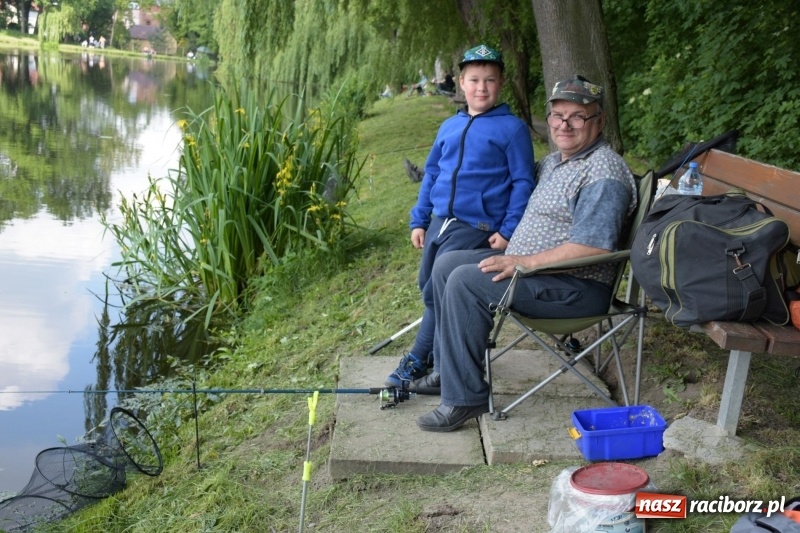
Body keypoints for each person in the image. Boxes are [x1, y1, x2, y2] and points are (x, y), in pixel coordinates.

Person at [414, 75, 638, 432]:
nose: (564, 125)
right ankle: (447, 371)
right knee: (447, 264)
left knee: (465, 281)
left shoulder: (603, 171)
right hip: (538, 277)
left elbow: (596, 245)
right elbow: (510, 186)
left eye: (577, 116)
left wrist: (525, 262)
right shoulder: (556, 163)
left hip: (572, 288)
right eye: (557, 115)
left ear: (599, 121)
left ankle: (464, 398)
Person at [384, 44, 536, 389]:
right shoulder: (449, 127)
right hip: (440, 223)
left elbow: (522, 181)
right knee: (428, 288)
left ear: (501, 84)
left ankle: (420, 358)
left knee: (442, 290)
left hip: (477, 226)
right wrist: (420, 219)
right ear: (461, 83)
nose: (482, 87)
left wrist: (509, 229)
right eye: (474, 80)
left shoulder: (511, 129)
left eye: (490, 80)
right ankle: (442, 354)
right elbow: (433, 175)